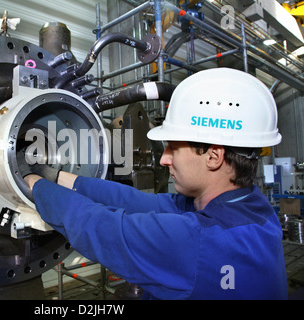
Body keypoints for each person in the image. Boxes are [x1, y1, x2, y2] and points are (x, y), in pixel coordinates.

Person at [21, 68, 288, 299]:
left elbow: (101, 228)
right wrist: (57, 176)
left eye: (173, 148)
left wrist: (31, 181)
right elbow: (133, 202)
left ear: (214, 156)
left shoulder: (202, 242)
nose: (164, 159)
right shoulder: (251, 207)